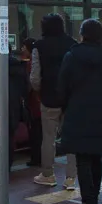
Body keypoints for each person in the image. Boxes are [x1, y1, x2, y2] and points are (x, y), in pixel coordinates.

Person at [59, 19, 102, 204]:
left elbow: (63, 86)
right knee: (96, 159)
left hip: (77, 114)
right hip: (100, 114)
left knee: (82, 160)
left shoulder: (71, 56)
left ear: (82, 34)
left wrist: (68, 106)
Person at [30, 13, 78, 188]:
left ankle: (48, 174)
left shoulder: (39, 46)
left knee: (48, 138)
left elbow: (35, 76)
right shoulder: (72, 44)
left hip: (49, 98)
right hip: (70, 99)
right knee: (71, 138)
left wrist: (38, 90)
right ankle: (71, 178)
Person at [19, 38, 42, 167]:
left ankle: (36, 158)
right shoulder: (35, 62)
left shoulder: (31, 65)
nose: (22, 49)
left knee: (35, 131)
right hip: (38, 103)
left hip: (34, 104)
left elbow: (30, 84)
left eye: (24, 47)